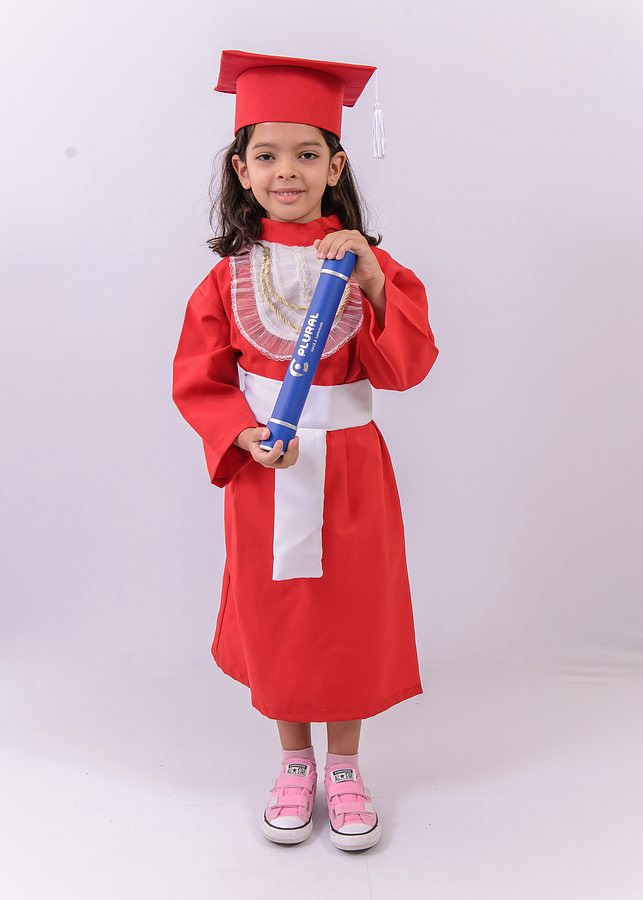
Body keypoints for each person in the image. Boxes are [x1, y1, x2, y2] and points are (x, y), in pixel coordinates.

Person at [172, 49, 439, 852]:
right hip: (267, 470)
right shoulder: (226, 279)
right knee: (280, 614)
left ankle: (346, 767)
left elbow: (404, 369)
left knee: (350, 610)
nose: (286, 170)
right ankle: (294, 764)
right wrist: (241, 433)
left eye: (305, 154)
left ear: (335, 165)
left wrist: (373, 279)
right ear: (241, 170)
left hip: (351, 469)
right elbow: (199, 379)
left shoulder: (368, 267)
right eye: (266, 155)